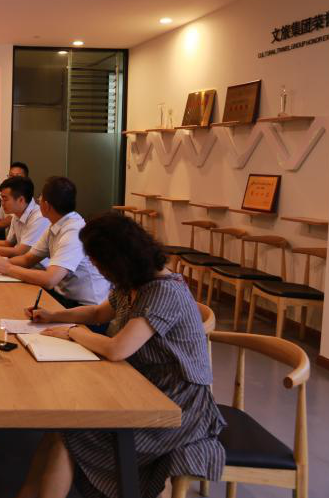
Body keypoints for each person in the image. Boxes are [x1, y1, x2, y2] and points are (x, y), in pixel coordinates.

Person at [14, 213, 225, 498]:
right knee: (63, 427)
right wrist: (53, 316)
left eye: (98, 262)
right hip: (144, 383)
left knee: (70, 431)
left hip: (176, 403)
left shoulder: (163, 290)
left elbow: (117, 349)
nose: (96, 268)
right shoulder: (134, 282)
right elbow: (97, 313)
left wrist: (73, 331)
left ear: (118, 261)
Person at [0, 176, 109, 309]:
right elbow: (28, 259)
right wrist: (0, 262)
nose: (38, 201)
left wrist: (8, 268)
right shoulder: (56, 225)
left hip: (86, 307)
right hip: (64, 298)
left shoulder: (73, 231)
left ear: (46, 206)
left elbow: (50, 279)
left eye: (40, 198)